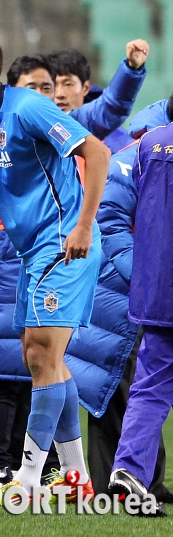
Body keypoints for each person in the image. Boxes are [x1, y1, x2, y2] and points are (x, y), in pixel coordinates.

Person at [0, 43, 149, 492]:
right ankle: (76, 478)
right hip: (30, 253)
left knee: (39, 355)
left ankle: (30, 477)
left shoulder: (29, 108)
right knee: (50, 360)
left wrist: (84, 227)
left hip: (63, 247)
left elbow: (97, 152)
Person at [108, 97, 173, 517]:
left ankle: (128, 470)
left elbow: (115, 207)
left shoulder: (148, 145)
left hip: (158, 288)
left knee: (150, 385)